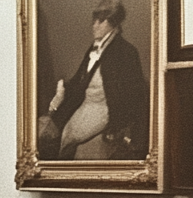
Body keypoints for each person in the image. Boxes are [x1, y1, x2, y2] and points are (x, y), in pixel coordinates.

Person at [43, 2, 148, 161]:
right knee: (53, 133)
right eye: (95, 20)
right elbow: (79, 81)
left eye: (100, 21)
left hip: (104, 110)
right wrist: (61, 92)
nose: (94, 25)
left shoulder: (126, 52)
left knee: (68, 138)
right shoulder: (95, 48)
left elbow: (136, 95)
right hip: (85, 105)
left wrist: (123, 129)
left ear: (112, 22)